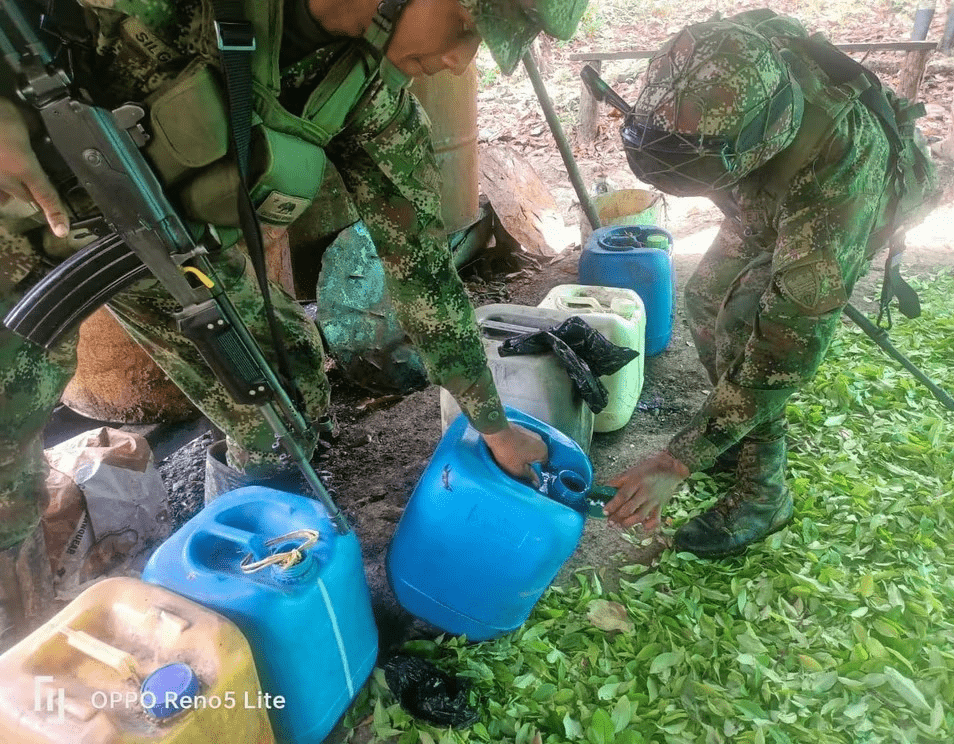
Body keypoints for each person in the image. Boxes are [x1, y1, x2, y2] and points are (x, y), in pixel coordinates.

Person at [0, 0, 589, 642]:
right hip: (19, 219)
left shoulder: (370, 92)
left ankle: (248, 588)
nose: (459, 60)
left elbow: (423, 274)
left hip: (158, 245)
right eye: (468, 27)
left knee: (282, 395)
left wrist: (493, 425)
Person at [601, 9, 937, 557]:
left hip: (846, 200)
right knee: (705, 296)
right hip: (755, 187)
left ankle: (764, 493)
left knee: (746, 324)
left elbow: (787, 342)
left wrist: (678, 457)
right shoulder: (718, 55)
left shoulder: (839, 165)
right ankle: (737, 433)